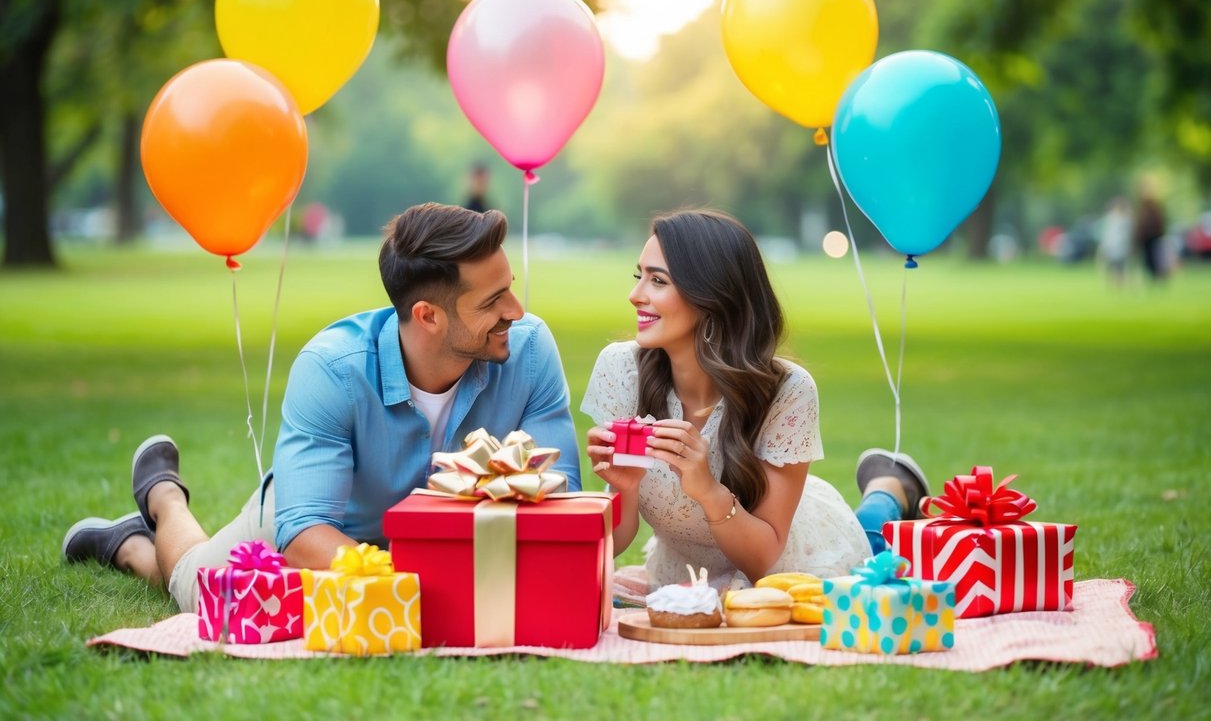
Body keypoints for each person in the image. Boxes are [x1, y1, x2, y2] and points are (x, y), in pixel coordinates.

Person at [62, 202, 582, 611]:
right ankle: (160, 506)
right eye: (492, 302)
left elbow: (562, 497)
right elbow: (305, 532)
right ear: (427, 316)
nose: (516, 311)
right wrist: (412, 585)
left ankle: (129, 537)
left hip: (443, 544)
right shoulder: (332, 369)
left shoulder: (529, 350)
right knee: (206, 594)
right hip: (329, 529)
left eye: (509, 289)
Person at [581, 210, 928, 593]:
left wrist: (708, 490)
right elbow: (617, 540)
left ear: (711, 296)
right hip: (685, 574)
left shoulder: (787, 389)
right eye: (639, 276)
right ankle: (889, 484)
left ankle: (890, 487)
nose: (635, 295)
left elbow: (762, 562)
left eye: (657, 281)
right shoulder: (621, 370)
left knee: (873, 548)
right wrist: (624, 489)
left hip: (788, 562)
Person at [1133, 186, 1168, 283]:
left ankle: (1157, 277)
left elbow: (1159, 223)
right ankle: (1152, 277)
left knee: (1155, 259)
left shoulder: (1154, 209)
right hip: (1145, 239)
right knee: (1148, 260)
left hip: (1153, 238)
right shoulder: (1142, 210)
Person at [1098, 196, 1132, 288]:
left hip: (1121, 247)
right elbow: (1107, 234)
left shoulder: (1126, 219)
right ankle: (1113, 283)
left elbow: (1127, 235)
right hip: (1112, 246)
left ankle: (1120, 284)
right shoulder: (1111, 219)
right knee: (1111, 266)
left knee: (1120, 266)